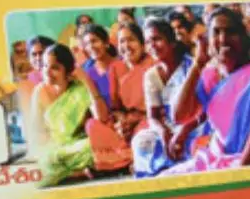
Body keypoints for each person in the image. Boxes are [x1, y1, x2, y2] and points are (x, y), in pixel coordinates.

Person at [165, 8, 250, 174]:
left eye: (231, 32)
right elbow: (179, 116)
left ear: (244, 37)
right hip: (220, 156)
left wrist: (238, 177)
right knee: (170, 177)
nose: (223, 39)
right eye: (216, 32)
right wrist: (198, 64)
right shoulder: (210, 74)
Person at [29, 43, 112, 187]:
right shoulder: (39, 91)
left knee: (94, 147)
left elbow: (102, 117)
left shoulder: (80, 88)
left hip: (79, 146)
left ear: (67, 70)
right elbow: (37, 132)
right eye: (44, 66)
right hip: (55, 147)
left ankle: (67, 173)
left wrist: (87, 81)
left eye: (55, 68)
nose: (47, 72)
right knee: (42, 163)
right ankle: (78, 173)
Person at [132, 17, 197, 178]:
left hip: (195, 124)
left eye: (157, 39)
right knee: (141, 141)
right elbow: (152, 117)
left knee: (198, 142)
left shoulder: (192, 67)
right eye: (148, 42)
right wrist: (164, 133)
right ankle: (158, 175)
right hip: (169, 126)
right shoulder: (151, 75)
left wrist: (184, 129)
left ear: (172, 42)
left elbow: (204, 108)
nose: (152, 46)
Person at [79, 24, 131, 172]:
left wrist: (121, 117)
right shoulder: (88, 73)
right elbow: (93, 108)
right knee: (92, 125)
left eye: (95, 41)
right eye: (87, 44)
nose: (91, 47)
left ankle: (118, 162)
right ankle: (120, 161)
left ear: (106, 43)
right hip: (104, 121)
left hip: (124, 118)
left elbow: (129, 98)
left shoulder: (121, 64)